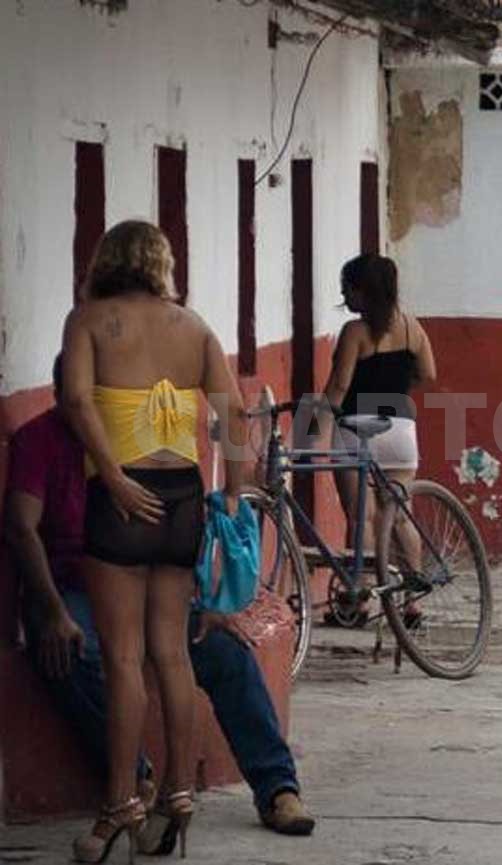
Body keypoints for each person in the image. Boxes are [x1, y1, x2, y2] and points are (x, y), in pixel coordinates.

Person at [4, 357, 316, 851]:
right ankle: (138, 781)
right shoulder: (37, 440)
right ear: (61, 393)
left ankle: (278, 787)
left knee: (225, 653)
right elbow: (21, 528)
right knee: (66, 654)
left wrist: (207, 599)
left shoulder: (137, 436)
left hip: (149, 588)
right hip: (77, 587)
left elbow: (177, 521)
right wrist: (50, 611)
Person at [59, 220, 248, 862]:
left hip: (123, 497)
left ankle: (117, 806)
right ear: (162, 263)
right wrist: (233, 492)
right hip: (183, 497)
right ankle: (178, 794)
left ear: (107, 260)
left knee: (121, 659)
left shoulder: (88, 320)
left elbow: (79, 402)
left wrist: (111, 475)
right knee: (172, 653)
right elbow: (235, 412)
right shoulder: (193, 328)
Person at [319, 254, 436, 565]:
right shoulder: (413, 327)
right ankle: (411, 597)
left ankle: (365, 597)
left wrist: (316, 422)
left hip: (356, 427)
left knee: (363, 519)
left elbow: (340, 385)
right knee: (399, 516)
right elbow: (428, 373)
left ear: (364, 290)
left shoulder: (355, 331)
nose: (343, 296)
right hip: (400, 428)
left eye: (348, 289)